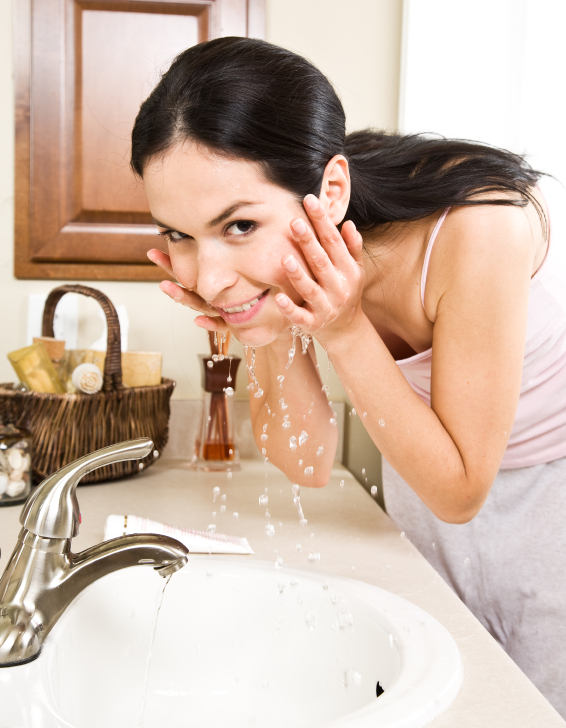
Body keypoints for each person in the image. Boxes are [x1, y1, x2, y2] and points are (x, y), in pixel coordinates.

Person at [131, 36, 566, 716]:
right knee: (442, 690)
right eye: (179, 235)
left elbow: (461, 491)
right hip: (421, 469)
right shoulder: (295, 244)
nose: (208, 280)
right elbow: (306, 462)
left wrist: (343, 329)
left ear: (331, 192)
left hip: (548, 497)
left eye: (238, 225)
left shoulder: (481, 229)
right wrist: (265, 328)